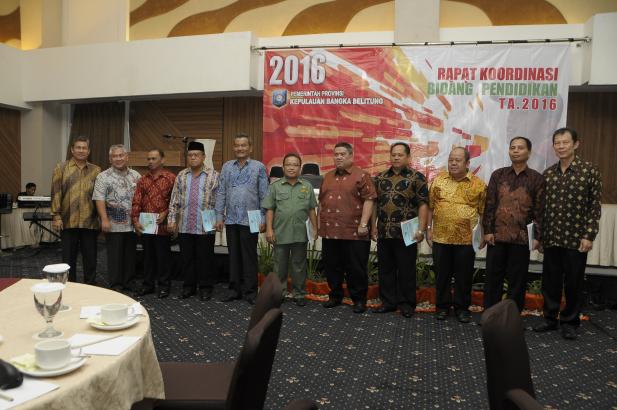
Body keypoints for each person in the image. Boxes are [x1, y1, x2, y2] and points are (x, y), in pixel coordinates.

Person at [534, 127, 602, 340]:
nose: (561, 146)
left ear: (576, 144)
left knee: (574, 282)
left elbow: (594, 207)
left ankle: (570, 322)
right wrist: (539, 236)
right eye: (557, 143)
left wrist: (589, 235)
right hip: (552, 236)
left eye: (565, 142)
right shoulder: (548, 174)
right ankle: (549, 319)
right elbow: (541, 209)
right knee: (550, 282)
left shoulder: (589, 171)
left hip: (576, 238)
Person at [482, 137, 544, 312]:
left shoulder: (537, 178)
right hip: (497, 237)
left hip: (521, 238)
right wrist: (487, 231)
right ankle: (490, 314)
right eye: (513, 147)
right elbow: (490, 204)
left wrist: (537, 237)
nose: (516, 150)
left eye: (520, 148)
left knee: (518, 281)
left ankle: (512, 317)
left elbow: (539, 210)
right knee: (493, 278)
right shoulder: (498, 175)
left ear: (529, 152)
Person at [427, 147, 486, 323]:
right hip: (441, 237)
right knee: (442, 275)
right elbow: (430, 207)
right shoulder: (438, 180)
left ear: (467, 163)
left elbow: (483, 212)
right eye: (451, 160)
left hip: (466, 239)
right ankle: (442, 307)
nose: (453, 163)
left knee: (464, 276)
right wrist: (428, 228)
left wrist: (483, 234)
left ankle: (462, 308)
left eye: (457, 160)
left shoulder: (479, 184)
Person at [371, 142, 428, 318]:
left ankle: (406, 304)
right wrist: (373, 226)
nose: (396, 157)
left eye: (400, 155)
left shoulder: (417, 177)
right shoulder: (380, 177)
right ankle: (388, 302)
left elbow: (423, 205)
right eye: (393, 154)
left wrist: (421, 230)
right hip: (384, 231)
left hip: (407, 233)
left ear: (408, 157)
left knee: (406, 269)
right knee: (385, 269)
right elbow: (374, 204)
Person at [319, 142, 376, 314]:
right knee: (332, 266)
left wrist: (364, 224)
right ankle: (335, 296)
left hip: (355, 231)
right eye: (336, 154)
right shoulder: (327, 176)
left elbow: (370, 200)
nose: (338, 157)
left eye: (342, 154)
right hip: (330, 231)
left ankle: (358, 300)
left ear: (351, 156)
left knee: (356, 268)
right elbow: (321, 202)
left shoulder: (362, 175)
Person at [215, 133, 268, 305]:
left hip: (251, 218)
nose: (240, 148)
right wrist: (219, 216)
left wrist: (263, 218)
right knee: (233, 257)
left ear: (250, 148)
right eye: (237, 145)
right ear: (233, 147)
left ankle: (251, 292)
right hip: (231, 219)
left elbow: (264, 194)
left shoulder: (259, 167)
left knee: (249, 256)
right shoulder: (227, 167)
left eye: (243, 145)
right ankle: (234, 290)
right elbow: (221, 192)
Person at [262, 153, 318, 306]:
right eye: (288, 164)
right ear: (283, 167)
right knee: (279, 266)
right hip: (280, 233)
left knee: (299, 265)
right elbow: (270, 209)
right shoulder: (275, 186)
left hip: (300, 233)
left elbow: (311, 209)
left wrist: (315, 229)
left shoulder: (307, 186)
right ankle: (279, 293)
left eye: (295, 165)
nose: (291, 167)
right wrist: (269, 230)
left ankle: (299, 294)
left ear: (300, 168)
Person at [168, 141, 220, 301]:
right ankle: (188, 287)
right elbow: (174, 199)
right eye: (190, 155)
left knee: (205, 258)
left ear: (204, 156)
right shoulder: (181, 175)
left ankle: (205, 287)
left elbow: (220, 200)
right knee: (187, 258)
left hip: (206, 225)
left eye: (196, 155)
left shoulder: (214, 175)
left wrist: (220, 219)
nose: (193, 157)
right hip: (185, 225)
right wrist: (171, 220)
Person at [50, 136, 101, 284]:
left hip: (90, 221)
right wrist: (56, 216)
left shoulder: (96, 170)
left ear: (88, 151)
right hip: (67, 220)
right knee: (68, 258)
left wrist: (102, 217)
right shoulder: (61, 168)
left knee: (90, 257)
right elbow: (56, 192)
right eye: (78, 147)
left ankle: (90, 285)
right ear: (72, 150)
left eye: (84, 148)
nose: (81, 150)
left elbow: (99, 196)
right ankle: (70, 286)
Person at [93, 144, 141, 293]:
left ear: (127, 157)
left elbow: (141, 198)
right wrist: (104, 219)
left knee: (130, 255)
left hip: (132, 223)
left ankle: (129, 282)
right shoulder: (103, 176)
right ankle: (116, 284)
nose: (118, 158)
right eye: (115, 156)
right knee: (115, 255)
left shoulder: (136, 175)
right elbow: (99, 198)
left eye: (121, 155)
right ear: (110, 159)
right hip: (113, 223)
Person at [131, 149, 176, 298]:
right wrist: (135, 220)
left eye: (154, 158)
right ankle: (148, 285)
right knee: (148, 257)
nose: (150, 161)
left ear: (162, 160)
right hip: (146, 225)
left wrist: (166, 212)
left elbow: (176, 201)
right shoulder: (143, 179)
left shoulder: (171, 178)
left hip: (162, 224)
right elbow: (136, 201)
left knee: (163, 257)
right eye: (149, 159)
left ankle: (164, 286)